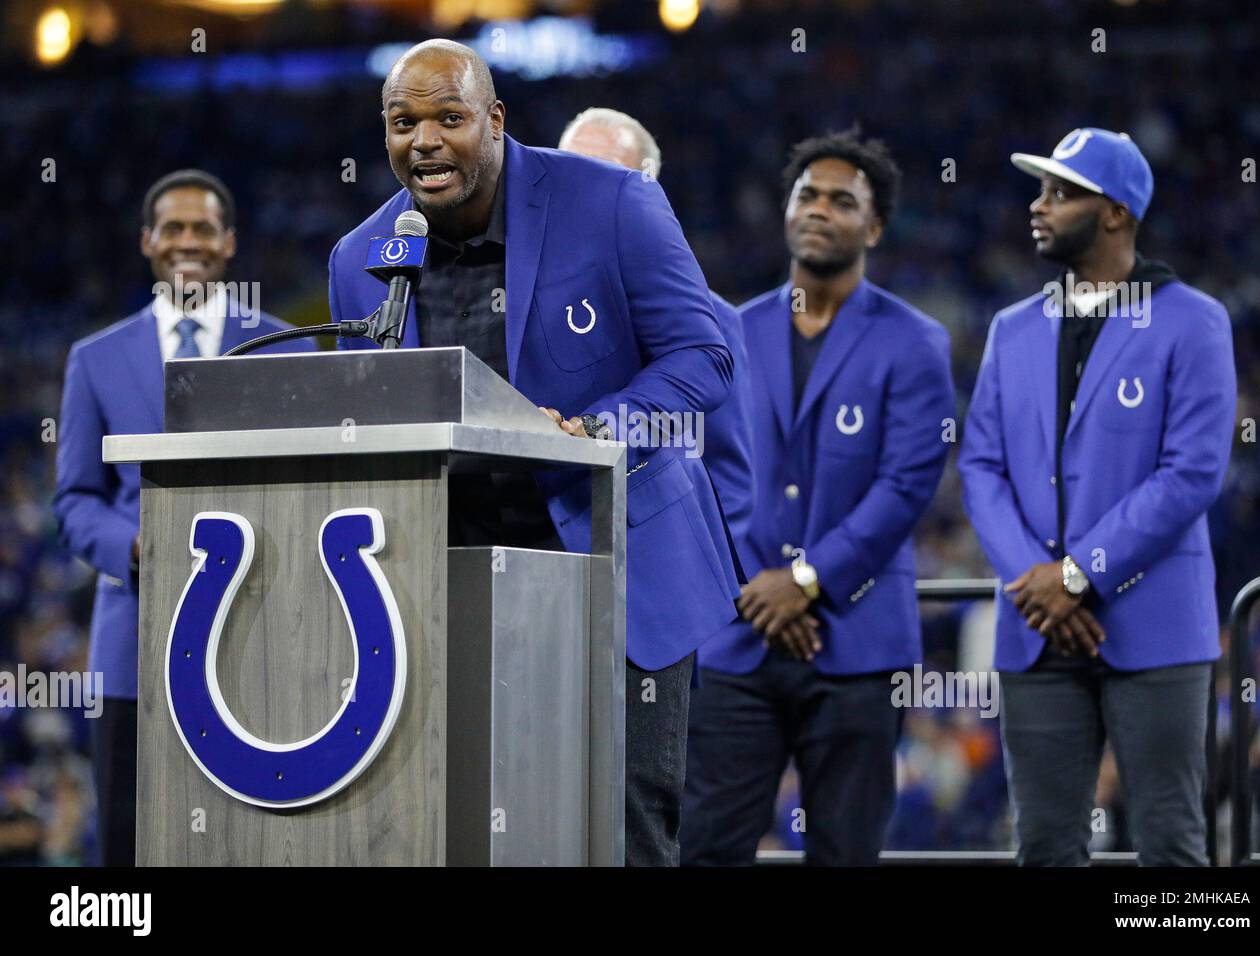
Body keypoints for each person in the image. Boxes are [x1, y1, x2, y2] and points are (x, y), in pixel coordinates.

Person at [327, 40, 740, 865]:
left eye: (450, 117)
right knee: (467, 830)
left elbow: (704, 358)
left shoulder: (614, 202)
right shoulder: (361, 260)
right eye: (404, 123)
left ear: (495, 120)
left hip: (616, 573)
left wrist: (597, 431)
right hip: (447, 587)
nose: (426, 141)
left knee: (624, 833)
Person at [958, 128, 1236, 865]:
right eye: (1039, 190)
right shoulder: (1011, 329)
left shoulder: (1195, 320)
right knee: (1045, 846)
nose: (1038, 206)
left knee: (1170, 844)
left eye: (1061, 192)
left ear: (1116, 212)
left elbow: (1193, 473)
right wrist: (1035, 587)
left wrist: (1077, 577)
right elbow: (980, 466)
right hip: (1037, 630)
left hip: (1153, 624)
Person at [680, 130, 955, 865]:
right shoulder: (727, 331)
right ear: (786, 210)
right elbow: (698, 475)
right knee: (704, 849)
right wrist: (758, 591)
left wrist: (804, 584)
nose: (820, 209)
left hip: (859, 646)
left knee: (846, 852)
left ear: (874, 226)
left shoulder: (915, 341)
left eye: (843, 200)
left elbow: (904, 488)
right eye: (808, 194)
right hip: (740, 639)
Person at [53, 170, 313, 865]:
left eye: (203, 229)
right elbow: (74, 499)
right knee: (129, 841)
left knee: (255, 836)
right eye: (173, 229)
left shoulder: (285, 346)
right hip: (132, 644)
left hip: (261, 630)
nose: (187, 242)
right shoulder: (96, 359)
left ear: (228, 243)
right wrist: (136, 547)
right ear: (147, 241)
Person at [557, 106, 756, 586]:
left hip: (656, 584)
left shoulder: (707, 323)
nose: (584, 195)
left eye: (607, 179)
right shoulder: (515, 303)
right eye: (570, 175)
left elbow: (726, 480)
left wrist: (694, 598)